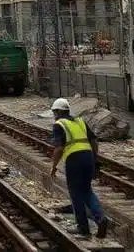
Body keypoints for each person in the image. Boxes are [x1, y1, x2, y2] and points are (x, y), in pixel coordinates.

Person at [49, 98, 110, 238]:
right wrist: (94, 158)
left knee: (76, 193)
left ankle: (83, 228)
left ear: (58, 112)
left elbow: (59, 148)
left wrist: (53, 166)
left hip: (73, 160)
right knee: (87, 190)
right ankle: (101, 218)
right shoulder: (80, 121)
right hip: (88, 157)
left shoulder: (59, 124)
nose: (54, 115)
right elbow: (94, 141)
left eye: (54, 112)